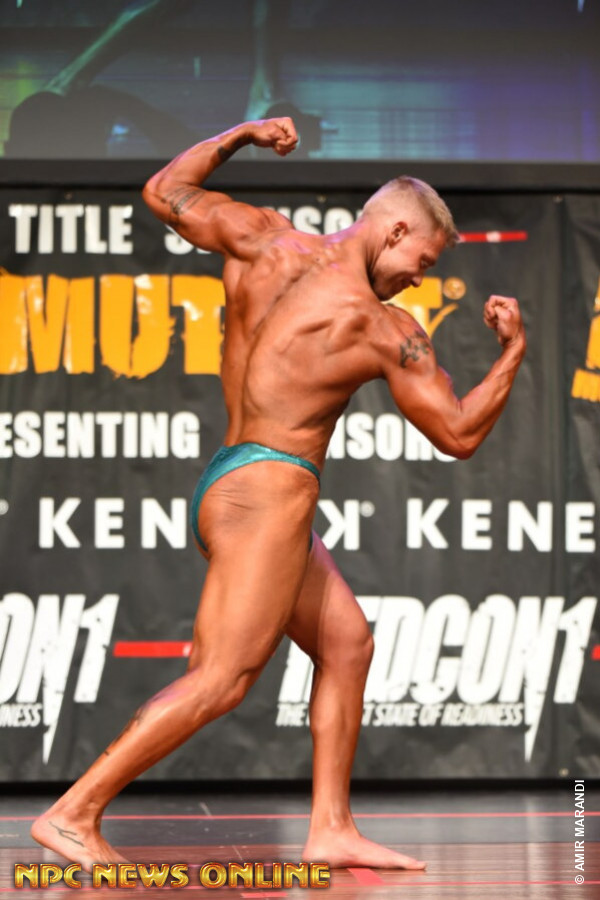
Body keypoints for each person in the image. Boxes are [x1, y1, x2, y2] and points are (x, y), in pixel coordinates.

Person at [32, 117, 526, 871]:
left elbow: (165, 190)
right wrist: (513, 352)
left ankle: (331, 826)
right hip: (270, 495)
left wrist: (243, 135)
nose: (418, 279)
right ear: (394, 230)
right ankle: (74, 812)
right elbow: (458, 434)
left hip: (232, 477)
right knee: (222, 678)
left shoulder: (264, 239)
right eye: (422, 261)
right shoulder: (378, 324)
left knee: (347, 643)